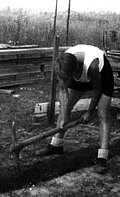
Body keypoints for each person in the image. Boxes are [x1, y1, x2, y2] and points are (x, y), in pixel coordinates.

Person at [36, 44, 114, 174]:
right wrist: (64, 114)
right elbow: (63, 90)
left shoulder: (93, 66)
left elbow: (97, 90)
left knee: (103, 113)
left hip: (102, 77)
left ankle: (102, 157)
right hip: (79, 73)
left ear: (76, 69)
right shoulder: (62, 65)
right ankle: (56, 145)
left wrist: (89, 111)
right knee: (65, 110)